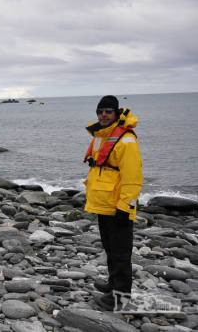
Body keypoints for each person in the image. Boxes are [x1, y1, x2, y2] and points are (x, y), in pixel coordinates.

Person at [83, 95, 143, 311]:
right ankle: (112, 286)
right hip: (104, 204)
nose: (103, 115)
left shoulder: (126, 140)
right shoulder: (102, 136)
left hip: (118, 207)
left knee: (120, 254)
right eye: (100, 111)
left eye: (108, 111)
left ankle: (120, 297)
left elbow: (132, 178)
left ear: (117, 113)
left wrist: (125, 207)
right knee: (110, 250)